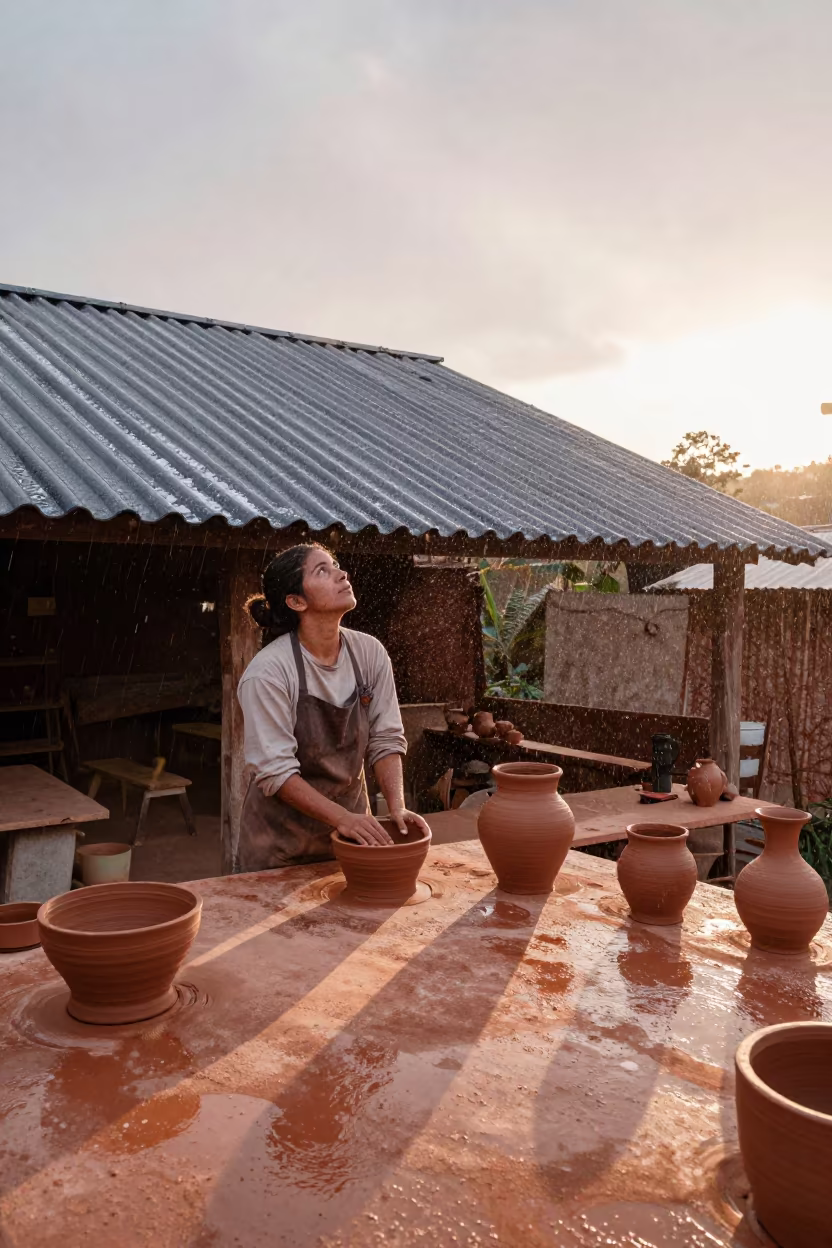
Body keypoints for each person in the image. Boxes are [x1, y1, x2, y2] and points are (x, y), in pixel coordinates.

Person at [237, 543, 430, 871]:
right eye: (322, 571)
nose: (342, 574)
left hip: (353, 840)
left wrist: (397, 806)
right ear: (297, 602)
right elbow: (276, 772)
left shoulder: (369, 653)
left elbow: (385, 739)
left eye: (336, 565)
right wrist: (343, 819)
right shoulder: (268, 672)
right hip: (279, 847)